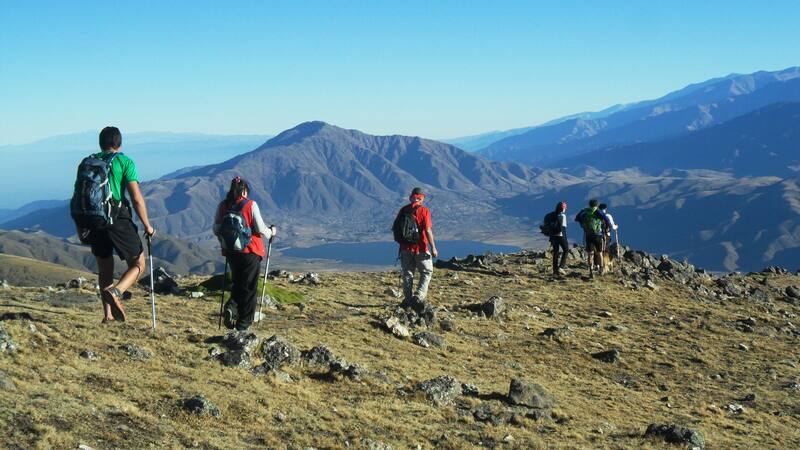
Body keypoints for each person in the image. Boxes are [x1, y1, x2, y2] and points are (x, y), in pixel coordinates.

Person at [82, 127, 156, 323]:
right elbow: (136, 198)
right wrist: (147, 225)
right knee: (138, 264)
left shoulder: (87, 162)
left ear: (101, 143)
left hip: (93, 220)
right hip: (117, 218)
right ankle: (116, 291)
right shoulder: (124, 162)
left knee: (105, 268)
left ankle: (107, 316)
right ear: (119, 143)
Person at [214, 177, 276, 331]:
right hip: (251, 252)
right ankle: (243, 324)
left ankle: (232, 307)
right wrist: (272, 232)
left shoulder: (223, 205)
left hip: (231, 252)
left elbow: (216, 228)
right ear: (244, 190)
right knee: (249, 287)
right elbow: (261, 229)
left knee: (238, 283)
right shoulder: (250, 204)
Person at [396, 187, 438, 306]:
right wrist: (433, 247)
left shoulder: (403, 210)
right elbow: (428, 230)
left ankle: (408, 300)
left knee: (407, 274)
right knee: (426, 272)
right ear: (422, 198)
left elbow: (397, 229)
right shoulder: (424, 211)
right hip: (421, 248)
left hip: (405, 248)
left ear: (411, 197)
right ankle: (419, 296)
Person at [575, 198, 611, 278]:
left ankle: (591, 271)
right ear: (597, 205)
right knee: (599, 253)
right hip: (598, 235)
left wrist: (583, 224)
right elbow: (607, 220)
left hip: (588, 235)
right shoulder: (598, 211)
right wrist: (606, 228)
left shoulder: (585, 211)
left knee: (590, 254)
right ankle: (601, 270)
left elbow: (576, 218)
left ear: (589, 204)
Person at [549, 201, 569, 276]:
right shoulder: (563, 216)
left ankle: (555, 271)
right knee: (566, 250)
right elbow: (563, 228)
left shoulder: (553, 214)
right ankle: (561, 267)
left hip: (553, 236)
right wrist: (564, 237)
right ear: (563, 208)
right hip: (560, 235)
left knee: (556, 252)